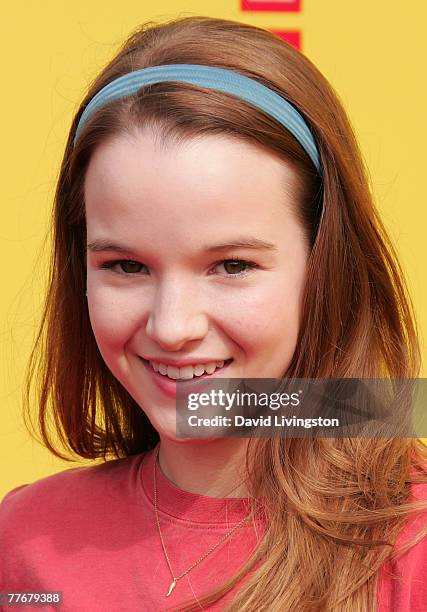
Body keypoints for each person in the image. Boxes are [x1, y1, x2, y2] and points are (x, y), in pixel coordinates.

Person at [1, 15, 426, 612]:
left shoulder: (411, 546)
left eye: (231, 266)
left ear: (323, 267)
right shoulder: (22, 539)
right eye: (127, 266)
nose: (173, 327)